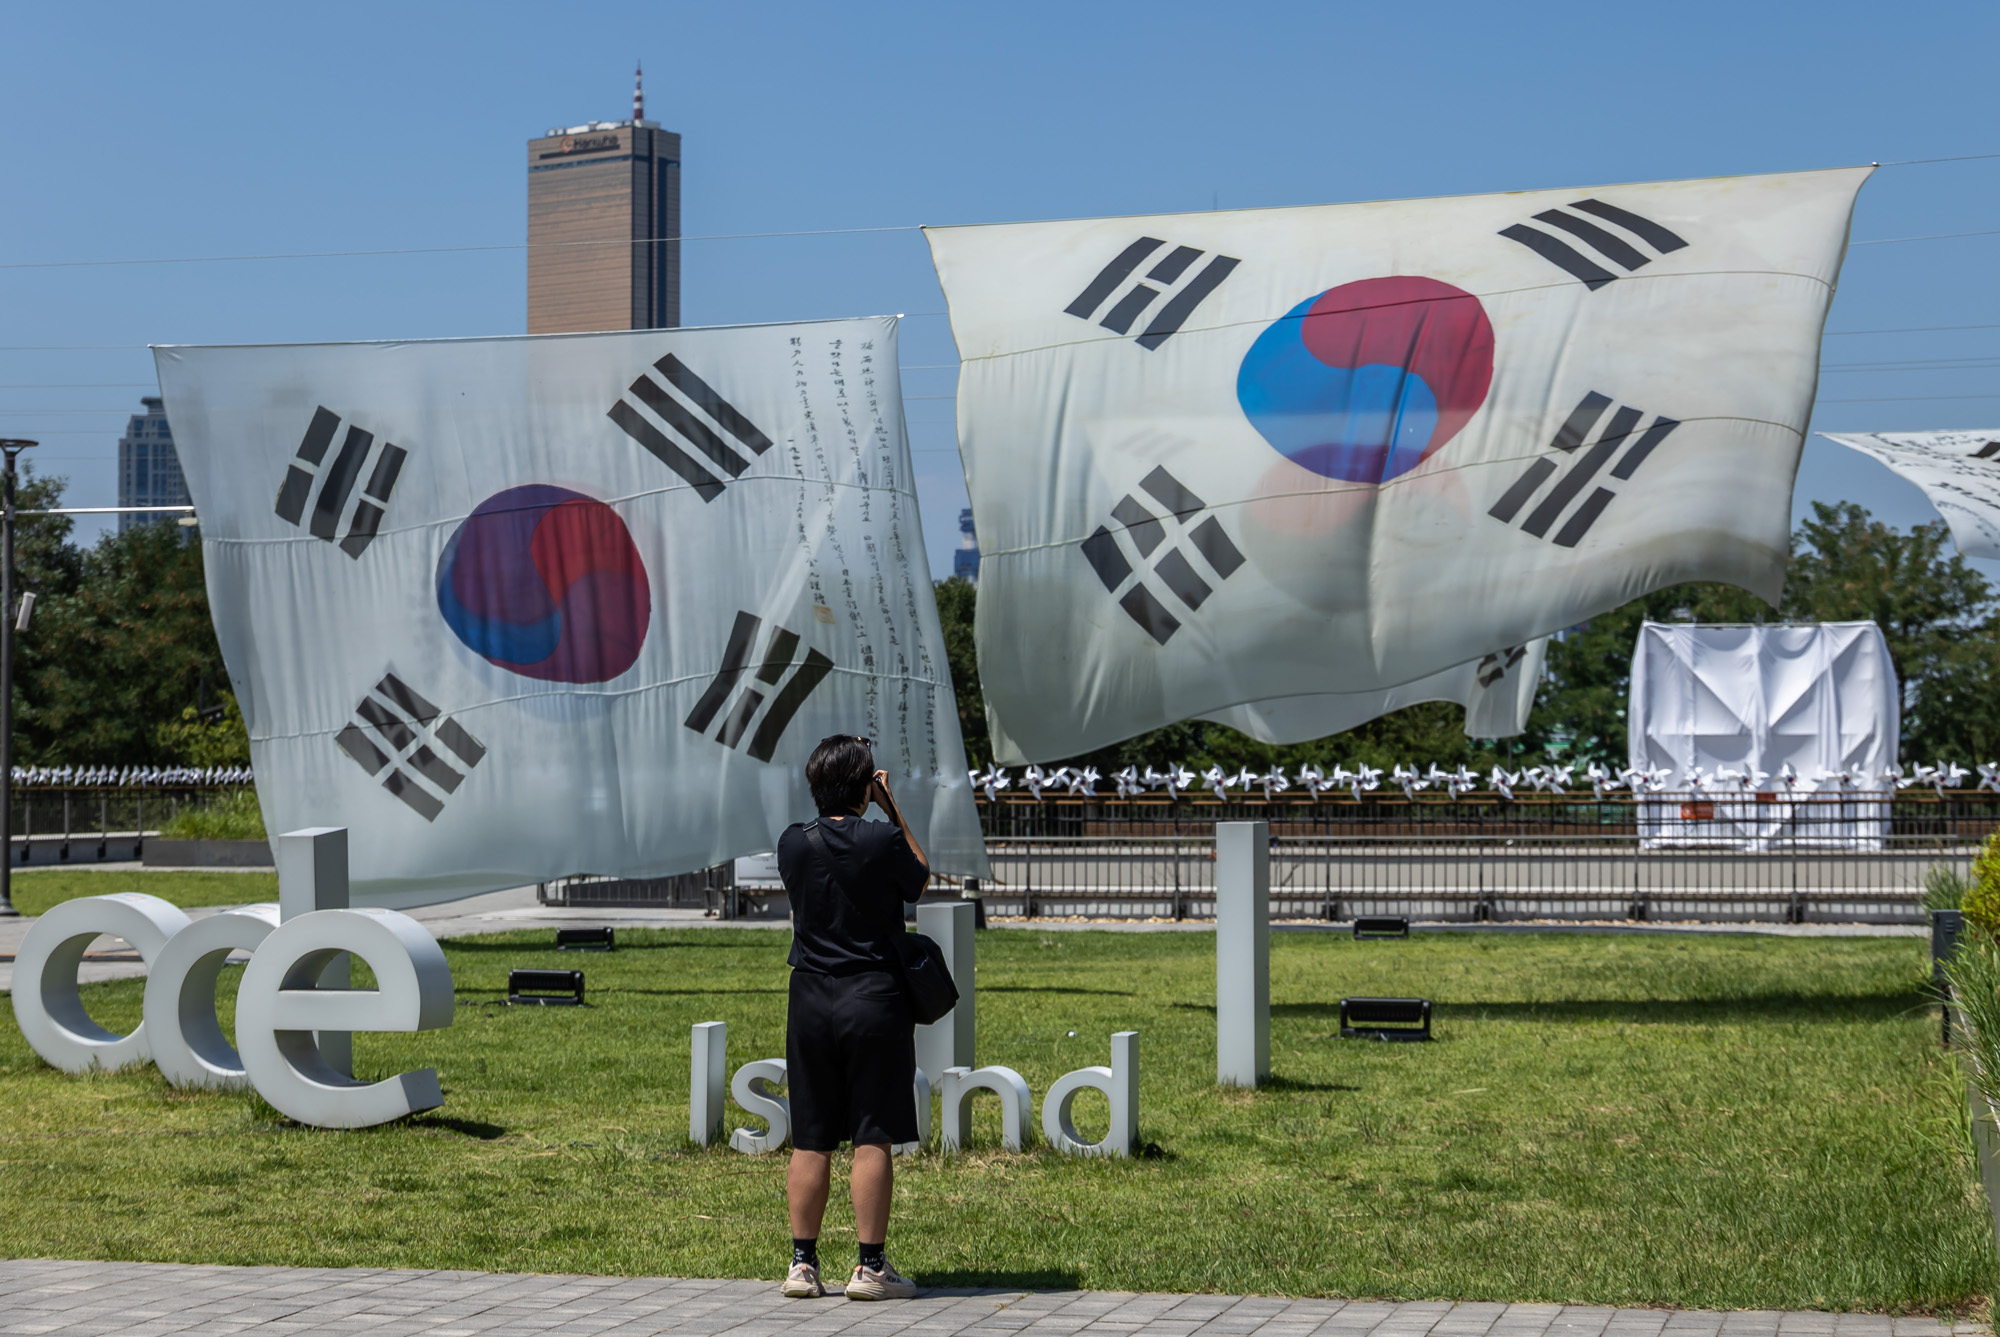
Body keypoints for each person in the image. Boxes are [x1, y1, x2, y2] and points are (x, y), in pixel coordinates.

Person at [775, 734, 930, 1300]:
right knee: (872, 1134)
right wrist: (891, 807)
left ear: (815, 784)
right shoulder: (881, 839)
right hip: (874, 997)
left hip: (810, 998)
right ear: (864, 786)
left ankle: (802, 1264)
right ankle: (868, 1268)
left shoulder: (793, 843)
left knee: (811, 1136)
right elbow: (919, 876)